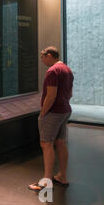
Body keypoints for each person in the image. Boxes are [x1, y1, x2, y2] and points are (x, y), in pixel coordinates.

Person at [29, 46, 74, 192]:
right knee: (60, 142)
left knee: (46, 144)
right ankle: (62, 176)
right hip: (65, 110)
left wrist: (43, 113)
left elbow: (51, 95)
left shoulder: (53, 71)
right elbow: (70, 93)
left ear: (49, 55)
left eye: (43, 57)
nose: (42, 61)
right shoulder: (67, 69)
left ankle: (47, 181)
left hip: (53, 113)